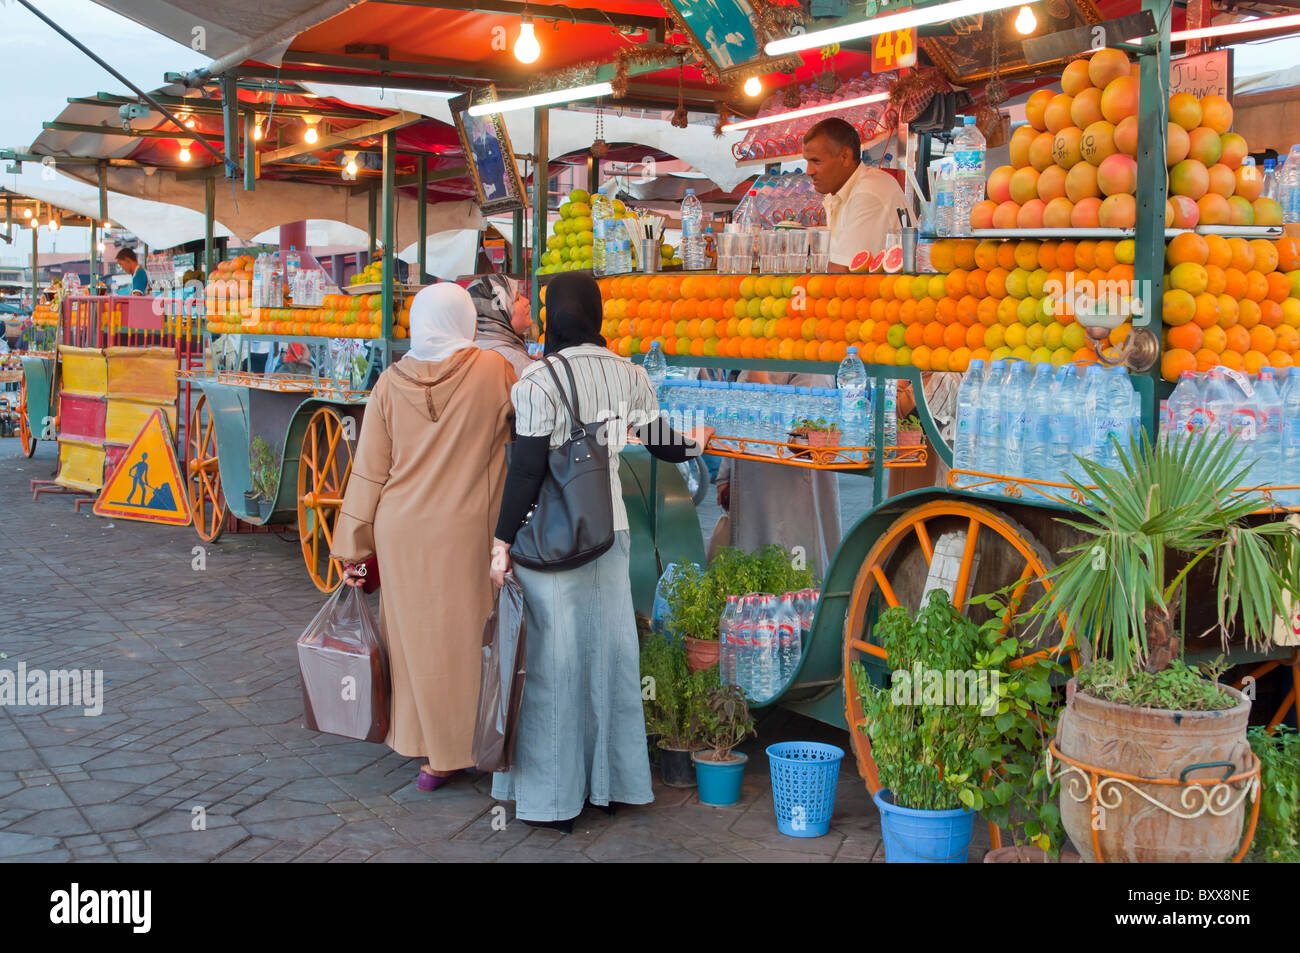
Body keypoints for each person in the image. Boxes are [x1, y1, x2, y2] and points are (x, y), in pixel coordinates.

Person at [488, 271, 706, 832]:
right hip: (611, 533)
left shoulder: (537, 381)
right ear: (596, 312)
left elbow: (527, 471)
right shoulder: (628, 373)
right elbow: (661, 444)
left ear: (557, 314)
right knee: (611, 655)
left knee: (553, 663)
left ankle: (556, 801)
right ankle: (610, 787)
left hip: (552, 538)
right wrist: (697, 443)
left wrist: (501, 540)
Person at [331, 283, 516, 791]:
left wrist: (352, 546)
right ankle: (470, 746)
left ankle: (431, 753)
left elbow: (369, 471)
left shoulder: (390, 382)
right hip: (465, 531)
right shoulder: (492, 370)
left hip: (402, 532)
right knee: (465, 640)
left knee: (413, 645)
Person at [713, 369, 841, 577]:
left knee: (794, 565)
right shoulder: (756, 354)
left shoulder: (812, 363)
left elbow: (806, 424)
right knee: (752, 562)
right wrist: (725, 474)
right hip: (749, 483)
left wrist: (763, 381)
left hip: (793, 488)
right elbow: (736, 419)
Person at [803, 117, 906, 273]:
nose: (808, 171)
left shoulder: (869, 191)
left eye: (816, 161)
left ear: (845, 157)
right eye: (807, 162)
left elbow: (841, 271)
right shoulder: (838, 194)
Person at [468, 273, 533, 375]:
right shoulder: (510, 360)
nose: (526, 301)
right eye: (517, 299)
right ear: (498, 313)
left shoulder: (477, 348)